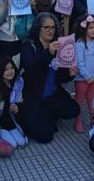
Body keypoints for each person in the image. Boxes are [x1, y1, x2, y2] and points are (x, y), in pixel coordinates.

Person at [18, 12, 80, 143]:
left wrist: (70, 74)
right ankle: (31, 118)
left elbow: (61, 76)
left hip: (52, 93)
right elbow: (30, 67)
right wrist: (47, 53)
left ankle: (49, 114)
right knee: (45, 137)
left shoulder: (59, 46)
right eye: (46, 27)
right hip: (33, 95)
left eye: (53, 27)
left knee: (73, 109)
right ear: (38, 28)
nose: (50, 31)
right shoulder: (29, 45)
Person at [73, 15, 94, 133]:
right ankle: (78, 120)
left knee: (92, 99)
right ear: (84, 28)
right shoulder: (79, 44)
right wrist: (86, 76)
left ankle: (93, 120)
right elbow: (79, 62)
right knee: (79, 100)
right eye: (91, 27)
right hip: (82, 79)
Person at [0, 56, 27, 150]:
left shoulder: (17, 83)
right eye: (6, 69)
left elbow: (19, 99)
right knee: (13, 145)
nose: (10, 71)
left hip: (10, 119)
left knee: (23, 142)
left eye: (11, 68)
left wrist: (17, 106)